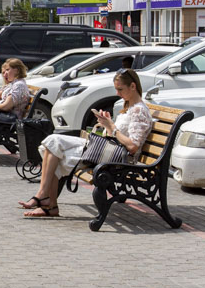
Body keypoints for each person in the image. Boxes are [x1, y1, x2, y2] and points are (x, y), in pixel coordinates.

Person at [20, 68, 151, 217]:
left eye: (120, 89)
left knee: (55, 152)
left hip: (117, 159)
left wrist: (112, 127)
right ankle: (45, 198)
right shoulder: (130, 108)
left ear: (133, 86)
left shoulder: (139, 111)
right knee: (52, 142)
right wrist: (106, 124)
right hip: (107, 150)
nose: (117, 93)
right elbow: (117, 136)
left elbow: (133, 146)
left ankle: (47, 202)